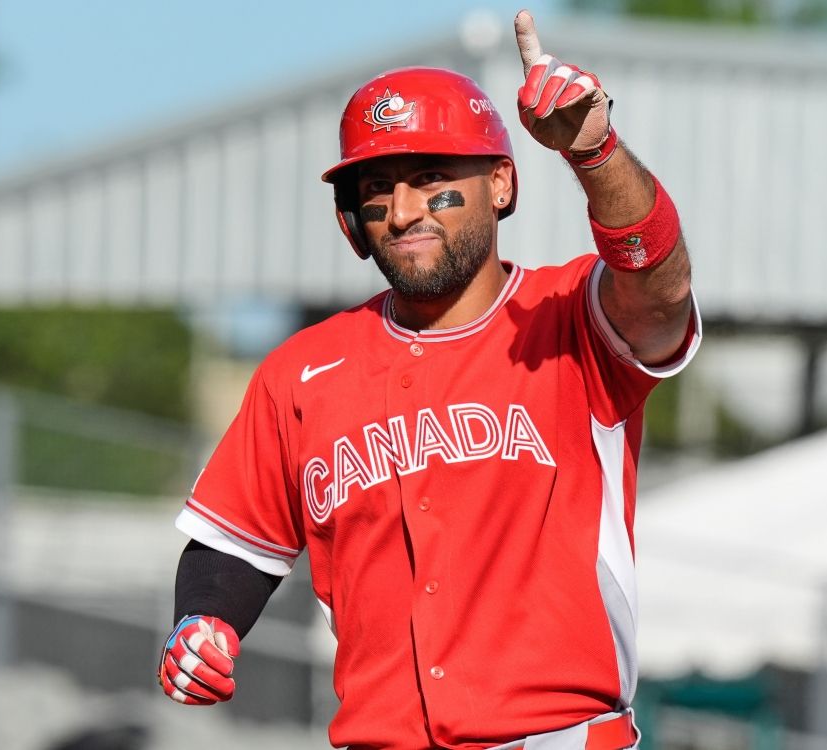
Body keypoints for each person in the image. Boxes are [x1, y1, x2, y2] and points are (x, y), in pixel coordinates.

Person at [158, 10, 700, 750]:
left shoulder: (572, 318)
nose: (405, 208)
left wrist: (596, 153)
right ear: (352, 218)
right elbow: (235, 544)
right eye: (378, 186)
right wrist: (203, 621)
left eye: (432, 177)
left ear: (502, 184)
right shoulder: (302, 371)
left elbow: (660, 289)